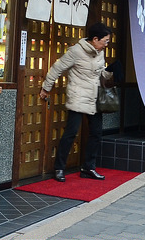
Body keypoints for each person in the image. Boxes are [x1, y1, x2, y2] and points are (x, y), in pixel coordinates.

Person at [39, 22, 114, 182]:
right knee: (71, 133)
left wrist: (112, 73)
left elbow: (100, 72)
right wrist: (46, 87)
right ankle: (59, 168)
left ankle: (88, 167)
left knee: (96, 133)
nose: (106, 44)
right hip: (79, 96)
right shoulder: (76, 51)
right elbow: (57, 68)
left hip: (94, 97)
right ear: (95, 39)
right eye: (105, 41)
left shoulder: (99, 52)